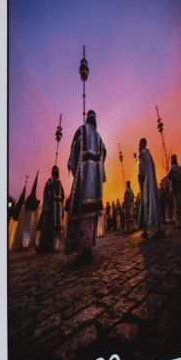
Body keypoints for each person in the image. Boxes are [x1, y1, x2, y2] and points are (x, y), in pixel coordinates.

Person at [66, 109, 107, 256]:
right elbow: (104, 154)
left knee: (82, 213)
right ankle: (88, 246)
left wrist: (74, 167)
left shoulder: (81, 130)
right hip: (95, 185)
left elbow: (74, 151)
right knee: (91, 215)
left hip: (84, 180)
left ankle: (83, 248)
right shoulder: (99, 137)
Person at [137, 137, 162, 238]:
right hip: (147, 182)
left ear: (143, 144)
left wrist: (141, 179)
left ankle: (149, 229)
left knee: (147, 203)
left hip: (146, 183)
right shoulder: (147, 154)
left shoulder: (144, 153)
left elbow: (142, 169)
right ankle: (149, 229)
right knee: (148, 204)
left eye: (140, 143)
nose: (139, 145)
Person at [39, 165, 65, 253]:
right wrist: (47, 206)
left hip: (57, 208)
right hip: (52, 208)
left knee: (56, 228)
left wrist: (60, 204)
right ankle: (50, 246)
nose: (57, 173)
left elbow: (63, 195)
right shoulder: (50, 181)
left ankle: (54, 246)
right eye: (56, 172)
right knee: (51, 227)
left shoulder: (58, 183)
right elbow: (47, 194)